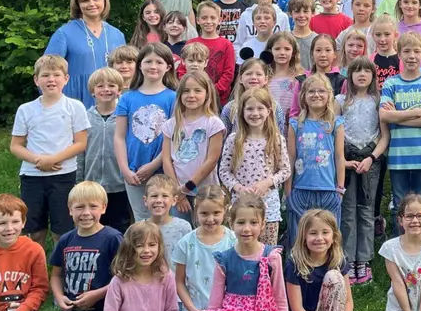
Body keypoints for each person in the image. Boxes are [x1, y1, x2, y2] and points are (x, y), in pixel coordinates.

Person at [189, 194, 294, 311]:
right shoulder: (225, 259)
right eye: (241, 222)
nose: (247, 229)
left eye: (253, 223)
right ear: (232, 224)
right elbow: (215, 304)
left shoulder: (272, 257)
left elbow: (280, 301)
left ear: (262, 225)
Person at [40, 181, 122, 311]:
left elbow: (123, 278)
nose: (86, 213)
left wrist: (98, 294)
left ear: (103, 208)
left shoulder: (112, 238)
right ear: (70, 210)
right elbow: (57, 274)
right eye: (79, 207)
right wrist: (59, 297)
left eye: (93, 206)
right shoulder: (67, 240)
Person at [9, 54, 90, 246]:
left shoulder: (75, 107)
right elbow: (15, 145)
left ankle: (59, 272)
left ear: (66, 79)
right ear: (36, 80)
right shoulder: (26, 109)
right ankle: (35, 269)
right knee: (34, 231)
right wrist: (39, 160)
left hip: (63, 175)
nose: (51, 80)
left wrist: (53, 159)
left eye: (56, 75)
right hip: (32, 175)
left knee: (62, 231)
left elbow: (80, 143)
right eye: (45, 75)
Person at [218, 88, 291, 246]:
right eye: (249, 109)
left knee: (267, 252)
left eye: (260, 108)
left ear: (269, 111)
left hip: (268, 208)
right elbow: (224, 171)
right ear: (242, 111)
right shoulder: (234, 140)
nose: (255, 113)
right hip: (241, 206)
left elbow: (285, 170)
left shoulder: (276, 139)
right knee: (241, 249)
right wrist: (238, 187)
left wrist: (268, 182)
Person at [114, 43, 177, 224]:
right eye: (148, 61)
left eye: (159, 62)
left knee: (164, 220)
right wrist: (125, 169)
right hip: (133, 171)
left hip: (162, 170)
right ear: (140, 65)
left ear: (168, 67)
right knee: (142, 221)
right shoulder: (127, 98)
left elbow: (172, 137)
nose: (153, 66)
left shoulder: (173, 98)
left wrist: (152, 165)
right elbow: (119, 136)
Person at [337, 58, 387, 285]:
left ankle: (363, 260)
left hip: (370, 162)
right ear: (350, 76)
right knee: (348, 210)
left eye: (366, 71)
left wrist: (371, 157)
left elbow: (384, 135)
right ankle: (347, 259)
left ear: (373, 76)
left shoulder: (378, 101)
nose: (361, 75)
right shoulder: (340, 102)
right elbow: (336, 132)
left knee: (366, 210)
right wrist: (344, 159)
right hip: (347, 161)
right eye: (357, 71)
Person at [380, 33, 421, 217]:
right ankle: (400, 243)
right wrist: (417, 111)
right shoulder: (391, 83)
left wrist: (397, 115)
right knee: (400, 204)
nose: (411, 56)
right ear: (399, 54)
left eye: (417, 51)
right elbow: (384, 115)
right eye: (406, 51)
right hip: (398, 154)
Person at [174, 184, 237, 311]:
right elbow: (179, 282)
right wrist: (193, 310)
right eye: (204, 214)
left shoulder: (233, 240)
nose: (210, 219)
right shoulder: (186, 243)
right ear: (196, 211)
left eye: (216, 213)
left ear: (225, 211)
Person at [44, 0, 127, 106]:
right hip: (74, 102)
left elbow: (125, 73)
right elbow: (46, 71)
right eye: (85, 0)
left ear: (104, 0)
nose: (91, 4)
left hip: (110, 103)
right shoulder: (64, 34)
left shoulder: (117, 35)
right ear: (78, 4)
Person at [284, 208, 354, 311]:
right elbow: (296, 308)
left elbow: (348, 302)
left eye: (325, 232)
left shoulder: (338, 259)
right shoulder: (294, 263)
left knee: (334, 276)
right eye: (313, 233)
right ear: (304, 237)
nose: (319, 238)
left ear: (334, 236)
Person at [286, 73, 345, 247]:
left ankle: (327, 273)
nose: (316, 95)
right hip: (300, 190)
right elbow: (291, 157)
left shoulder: (335, 124)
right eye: (311, 91)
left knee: (327, 240)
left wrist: (340, 188)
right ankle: (298, 272)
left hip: (328, 191)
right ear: (303, 96)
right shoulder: (296, 124)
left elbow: (340, 157)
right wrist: (288, 190)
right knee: (300, 239)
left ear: (329, 96)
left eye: (321, 91)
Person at [161, 71, 225, 218]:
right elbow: (166, 159)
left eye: (197, 90)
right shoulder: (171, 125)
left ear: (207, 94)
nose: (191, 95)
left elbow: (212, 160)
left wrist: (187, 187)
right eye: (186, 91)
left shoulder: (213, 124)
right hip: (177, 193)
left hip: (206, 192)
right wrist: (177, 191)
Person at [81, 67, 132, 233]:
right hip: (92, 183)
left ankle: (119, 258)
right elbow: (80, 151)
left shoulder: (125, 116)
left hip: (118, 184)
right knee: (94, 225)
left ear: (119, 90)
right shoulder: (85, 118)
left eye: (111, 85)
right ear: (92, 91)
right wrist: (79, 179)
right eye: (100, 86)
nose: (106, 89)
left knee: (120, 226)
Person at [190, 2, 236, 99]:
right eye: (204, 18)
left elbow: (228, 73)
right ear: (198, 20)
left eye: (212, 18)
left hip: (219, 98)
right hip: (194, 96)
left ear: (219, 20)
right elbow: (182, 70)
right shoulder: (190, 44)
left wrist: (212, 91)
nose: (208, 21)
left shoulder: (227, 44)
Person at [264, 31, 304, 133]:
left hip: (292, 129)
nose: (282, 53)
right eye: (277, 49)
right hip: (268, 128)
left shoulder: (299, 78)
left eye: (287, 49)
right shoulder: (264, 77)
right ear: (270, 51)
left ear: (293, 52)